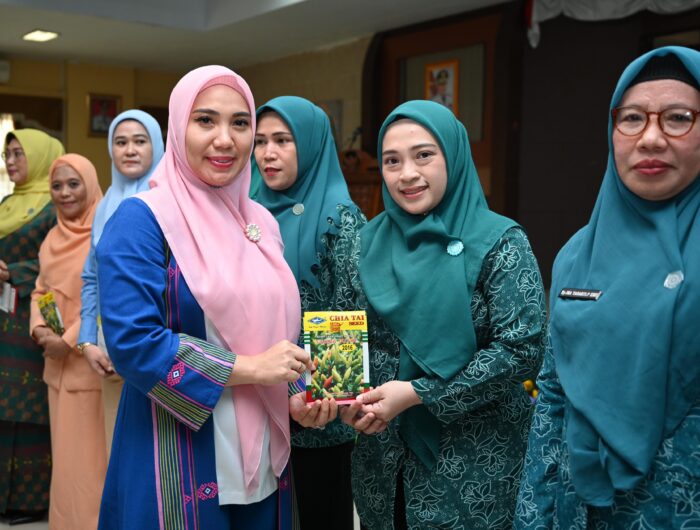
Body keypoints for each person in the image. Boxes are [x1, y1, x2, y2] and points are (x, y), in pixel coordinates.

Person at [95, 65, 312, 530]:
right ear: (178, 128)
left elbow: (277, 326)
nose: (225, 139)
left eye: (240, 123)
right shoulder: (142, 221)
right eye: (205, 120)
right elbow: (133, 343)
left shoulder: (261, 223)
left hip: (265, 449)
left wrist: (298, 394)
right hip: (176, 448)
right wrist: (251, 369)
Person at [515, 46, 700, 529]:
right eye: (632, 119)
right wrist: (534, 517)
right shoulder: (578, 254)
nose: (651, 138)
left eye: (678, 118)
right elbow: (553, 395)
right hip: (579, 509)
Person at [340, 100, 547, 529]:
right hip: (382, 461)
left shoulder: (500, 241)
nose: (407, 174)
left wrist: (419, 393)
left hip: (475, 464)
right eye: (392, 161)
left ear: (453, 156)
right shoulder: (364, 242)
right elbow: (344, 333)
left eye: (423, 155)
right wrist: (346, 403)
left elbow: (522, 350)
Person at [253, 95, 366, 530]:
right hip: (252, 398)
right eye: (260, 141)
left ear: (312, 144)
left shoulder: (340, 217)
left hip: (316, 415)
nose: (268, 152)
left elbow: (350, 311)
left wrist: (322, 401)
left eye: (283, 140)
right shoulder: (244, 209)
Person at [78, 109, 164, 456]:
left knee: (160, 454)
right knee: (119, 449)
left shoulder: (170, 201)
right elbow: (91, 276)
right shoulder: (105, 206)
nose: (129, 150)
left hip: (162, 346)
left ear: (156, 145)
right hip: (109, 350)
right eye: (121, 142)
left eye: (140, 141)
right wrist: (88, 341)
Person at [30, 154, 106, 529]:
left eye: (73, 184)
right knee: (63, 466)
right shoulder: (51, 238)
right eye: (57, 186)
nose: (64, 193)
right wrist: (39, 329)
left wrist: (70, 339)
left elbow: (106, 295)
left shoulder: (104, 232)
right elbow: (39, 290)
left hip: (88, 368)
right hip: (56, 370)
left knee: (90, 467)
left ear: (90, 185)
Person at [0, 129, 64, 525]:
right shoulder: (8, 203)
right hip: (3, 314)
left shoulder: (55, 204)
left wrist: (15, 272)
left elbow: (66, 256)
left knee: (30, 407)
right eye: (7, 155)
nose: (11, 162)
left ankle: (31, 500)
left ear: (40, 156)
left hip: (35, 316)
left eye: (19, 154)